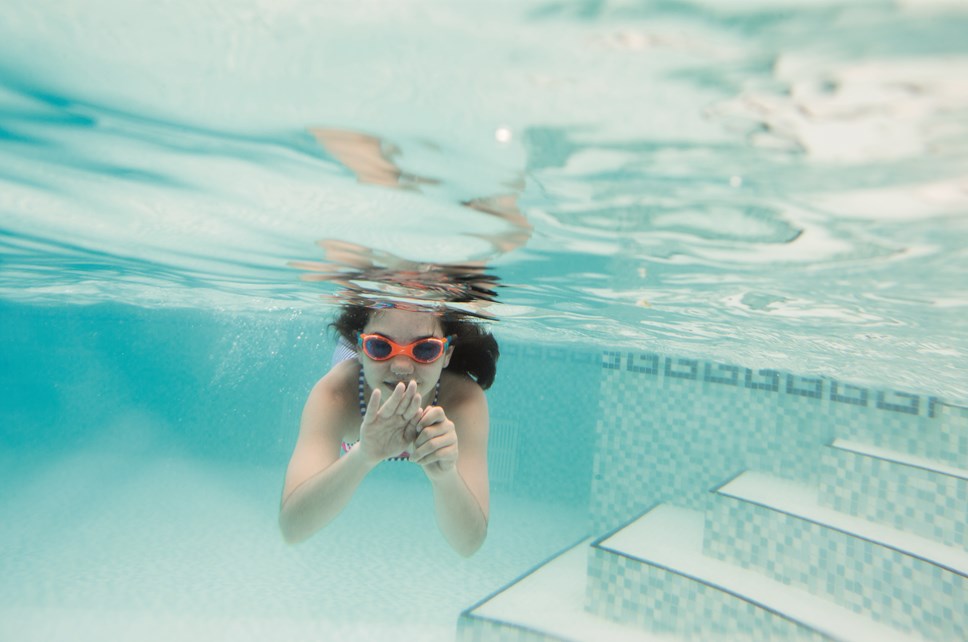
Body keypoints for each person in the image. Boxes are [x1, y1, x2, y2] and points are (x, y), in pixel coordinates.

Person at [279, 301, 499, 557]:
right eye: (381, 346)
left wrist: (445, 477)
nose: (402, 367)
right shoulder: (336, 394)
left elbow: (469, 545)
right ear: (360, 348)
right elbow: (292, 529)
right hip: (360, 373)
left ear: (446, 354)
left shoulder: (462, 400)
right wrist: (363, 456)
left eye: (425, 349)